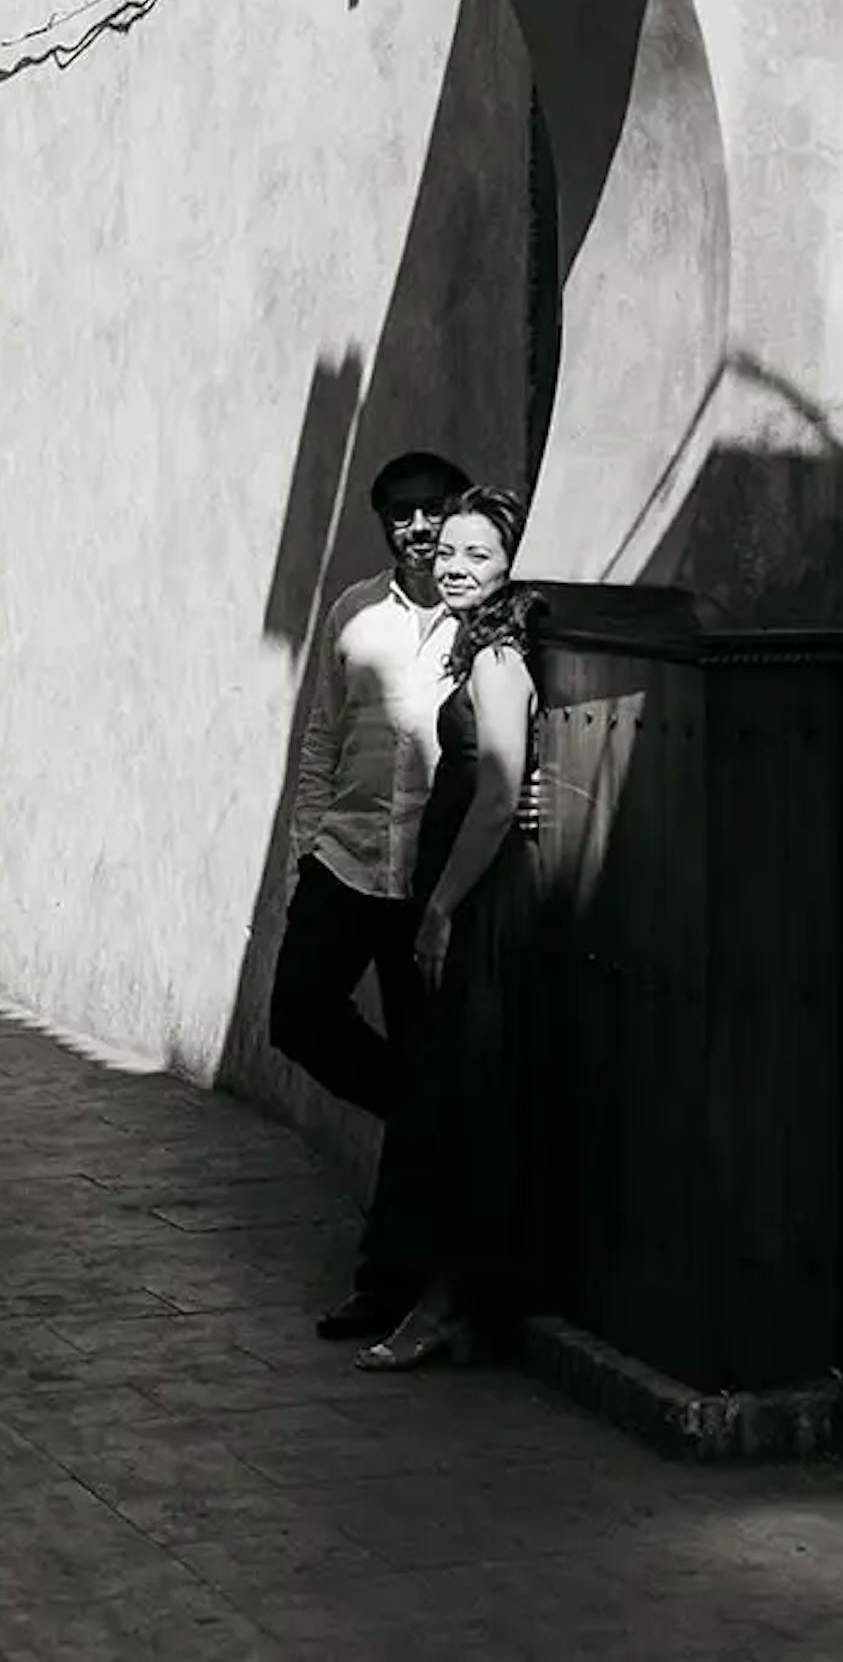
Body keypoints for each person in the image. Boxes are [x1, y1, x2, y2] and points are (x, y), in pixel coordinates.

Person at [268, 448, 473, 1342]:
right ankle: (421, 1108)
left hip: (427, 884)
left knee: (426, 1062)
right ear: (385, 526)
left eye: (432, 511)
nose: (418, 527)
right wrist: (302, 853)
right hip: (346, 862)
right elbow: (321, 737)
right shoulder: (354, 613)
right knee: (298, 1016)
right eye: (402, 515)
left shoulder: (482, 624)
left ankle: (383, 1283)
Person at [354, 483, 549, 1373]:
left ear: (510, 563)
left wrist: (439, 907)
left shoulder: (498, 658)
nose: (456, 565)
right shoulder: (481, 647)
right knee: (449, 1091)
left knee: (455, 1097)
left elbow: (501, 791)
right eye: (450, 551)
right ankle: (451, 1301)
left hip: (471, 896)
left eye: (479, 553)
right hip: (461, 883)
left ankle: (441, 1305)